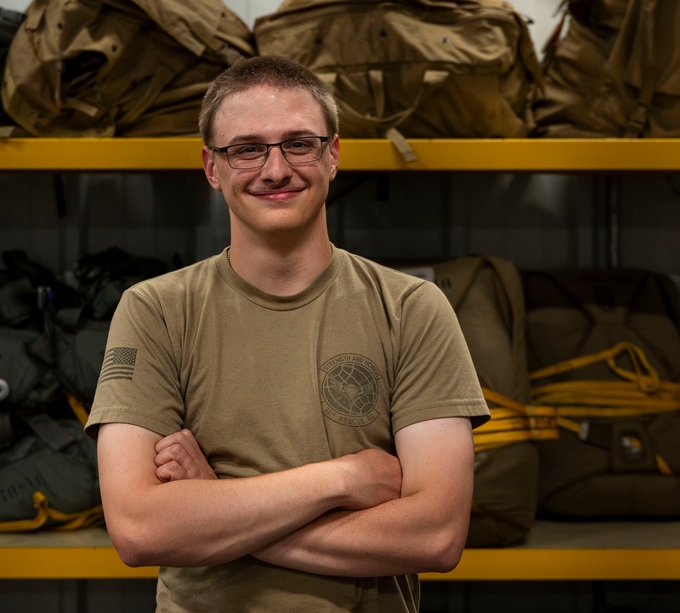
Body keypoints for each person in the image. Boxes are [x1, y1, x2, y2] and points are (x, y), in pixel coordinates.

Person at [85, 55, 490, 612]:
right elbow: (138, 530)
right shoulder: (156, 311)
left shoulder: (412, 309)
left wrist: (214, 506)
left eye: (299, 144)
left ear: (333, 155)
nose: (275, 170)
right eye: (247, 149)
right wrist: (342, 479)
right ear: (211, 167)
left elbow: (436, 535)